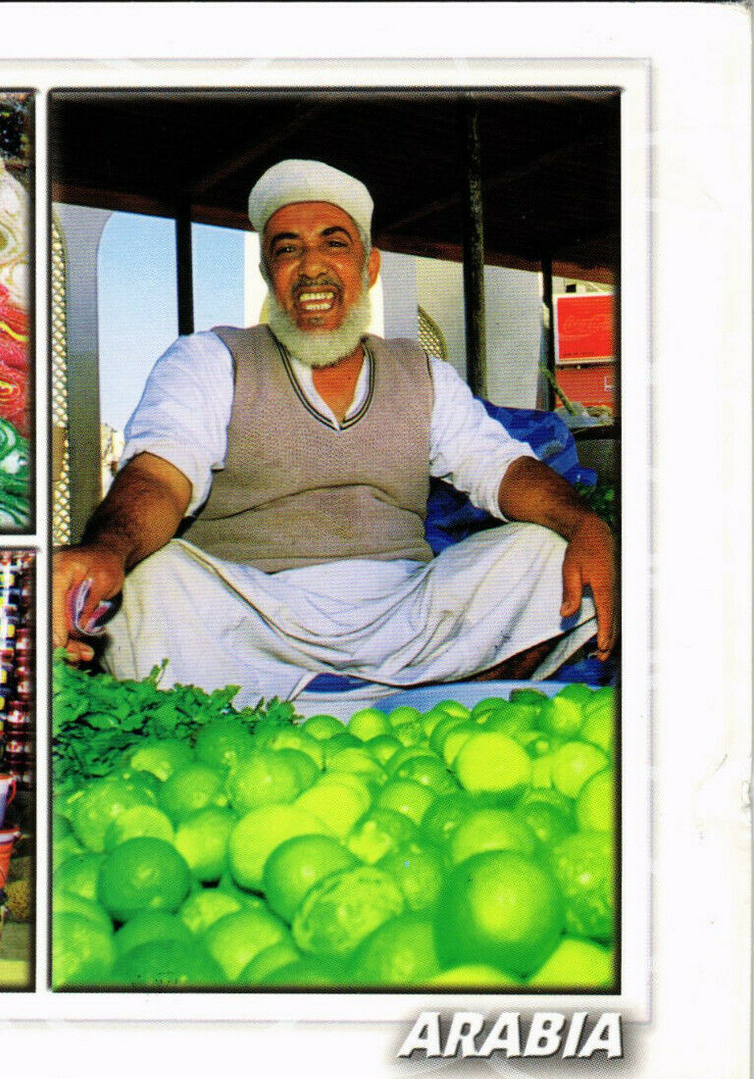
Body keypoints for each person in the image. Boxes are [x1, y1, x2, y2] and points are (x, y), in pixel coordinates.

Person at [53, 158, 617, 705]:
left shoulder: (421, 373)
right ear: (268, 274)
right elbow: (160, 475)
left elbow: (502, 468)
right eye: (288, 249)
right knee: (148, 585)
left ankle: (306, 703)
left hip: (405, 612)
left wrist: (583, 520)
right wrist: (107, 549)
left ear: (368, 268)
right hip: (253, 615)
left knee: (546, 548)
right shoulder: (210, 359)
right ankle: (423, 699)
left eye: (334, 243)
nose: (312, 265)